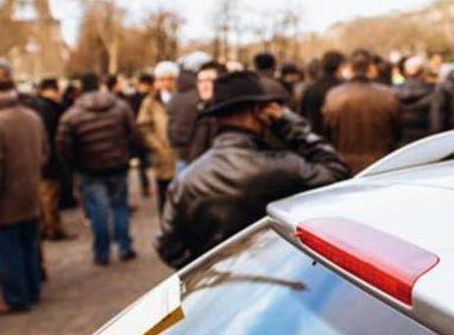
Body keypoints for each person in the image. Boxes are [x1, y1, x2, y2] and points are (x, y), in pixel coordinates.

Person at [156, 71, 348, 268]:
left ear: (216, 117)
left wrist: (206, 271)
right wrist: (288, 122)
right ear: (258, 111)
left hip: (217, 289)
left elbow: (167, 246)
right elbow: (335, 171)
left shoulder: (187, 179)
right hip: (275, 281)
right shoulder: (282, 166)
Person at [0, 76, 46, 314]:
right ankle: (32, 289)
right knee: (28, 245)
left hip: (5, 201)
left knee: (7, 250)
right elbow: (44, 153)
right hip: (30, 193)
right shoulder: (32, 117)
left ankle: (15, 298)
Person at [57, 73, 137, 266]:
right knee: (120, 206)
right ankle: (124, 247)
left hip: (90, 170)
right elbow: (132, 134)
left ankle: (102, 253)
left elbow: (63, 146)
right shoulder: (120, 107)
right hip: (117, 166)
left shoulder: (72, 115)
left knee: (98, 212)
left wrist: (75, 165)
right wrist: (126, 155)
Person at [323, 49, 400, 174]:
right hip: (381, 164)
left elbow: (327, 131)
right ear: (371, 68)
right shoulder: (388, 95)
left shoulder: (333, 96)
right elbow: (397, 131)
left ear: (350, 69)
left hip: (344, 166)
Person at [30, 78, 72, 241]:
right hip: (50, 160)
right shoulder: (47, 109)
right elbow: (49, 137)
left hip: (44, 159)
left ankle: (46, 227)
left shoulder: (38, 106)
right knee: (49, 197)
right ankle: (53, 229)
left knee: (45, 196)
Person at [136, 64, 178, 214]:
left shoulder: (182, 99)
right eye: (162, 79)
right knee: (164, 199)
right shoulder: (150, 102)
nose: (166, 83)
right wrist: (156, 145)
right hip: (162, 158)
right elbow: (143, 126)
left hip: (181, 156)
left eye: (170, 79)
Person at [186, 60, 226, 162]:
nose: (204, 86)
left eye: (209, 80)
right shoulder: (201, 109)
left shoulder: (224, 114)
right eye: (200, 81)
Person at [394, 55, 436, 146]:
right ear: (424, 72)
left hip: (400, 148)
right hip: (428, 146)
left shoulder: (393, 93)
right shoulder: (435, 92)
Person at [299, 50, 344, 133]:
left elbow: (302, 116)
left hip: (315, 138)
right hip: (337, 139)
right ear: (340, 67)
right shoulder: (343, 89)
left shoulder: (311, 88)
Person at [129, 74, 154, 198]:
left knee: (145, 163)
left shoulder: (151, 98)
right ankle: (146, 186)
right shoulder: (135, 99)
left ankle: (147, 186)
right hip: (139, 136)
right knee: (143, 163)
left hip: (146, 134)